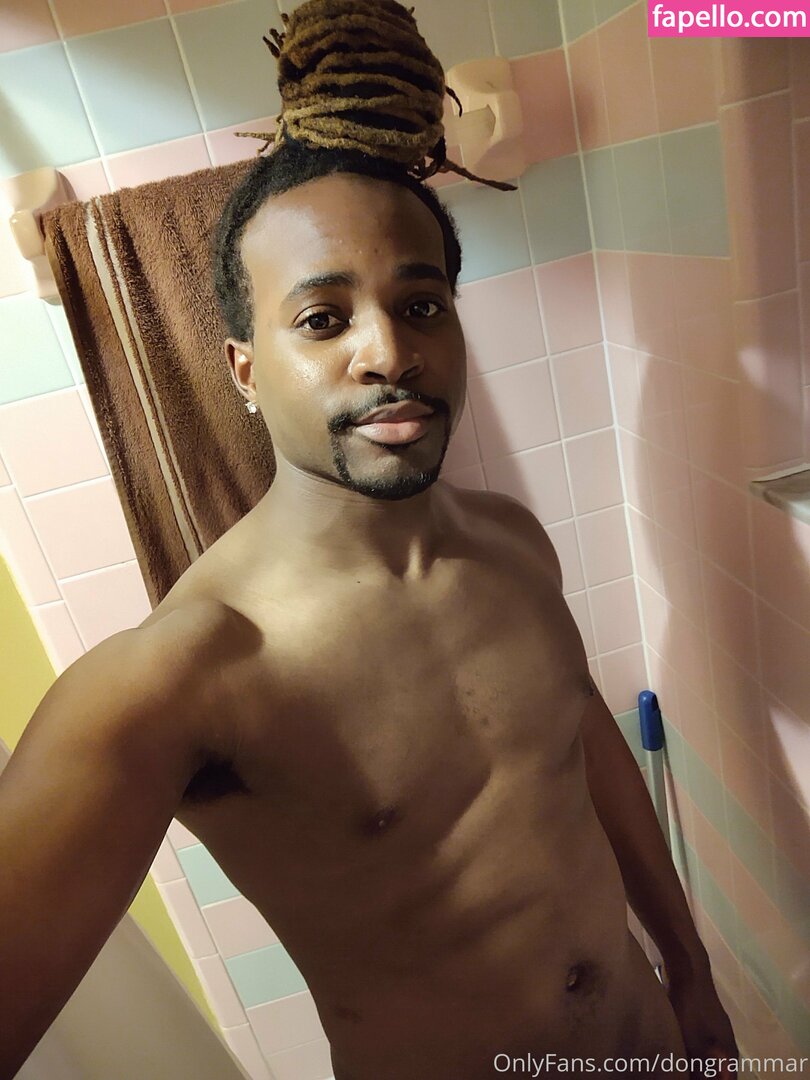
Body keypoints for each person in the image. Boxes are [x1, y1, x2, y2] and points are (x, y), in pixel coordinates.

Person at [0, 138, 738, 1079]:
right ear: (244, 370)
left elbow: (583, 745)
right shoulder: (182, 677)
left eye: (422, 306)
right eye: (322, 319)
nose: (390, 353)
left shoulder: (514, 546)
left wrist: (691, 969)